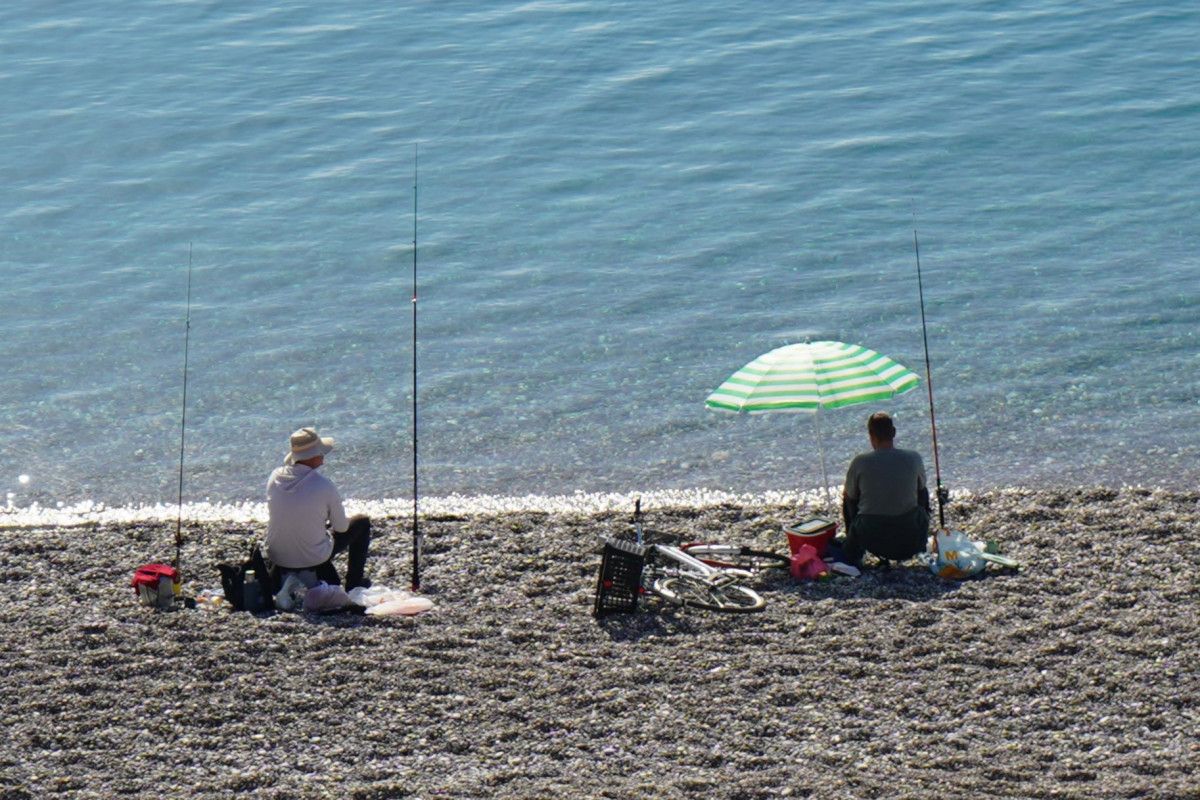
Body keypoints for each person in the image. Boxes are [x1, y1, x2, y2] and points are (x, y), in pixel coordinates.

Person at [265, 427, 372, 591]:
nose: (323, 455)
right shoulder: (323, 485)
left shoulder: (275, 477)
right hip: (313, 558)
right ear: (313, 455)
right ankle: (354, 582)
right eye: (320, 452)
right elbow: (341, 528)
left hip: (278, 556)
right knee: (362, 522)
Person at [840, 411, 931, 567]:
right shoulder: (913, 458)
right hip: (910, 540)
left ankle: (853, 549)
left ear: (871, 435)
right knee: (922, 491)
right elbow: (922, 493)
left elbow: (850, 498)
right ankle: (921, 544)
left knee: (848, 497)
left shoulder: (860, 462)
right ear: (894, 432)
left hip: (871, 538)